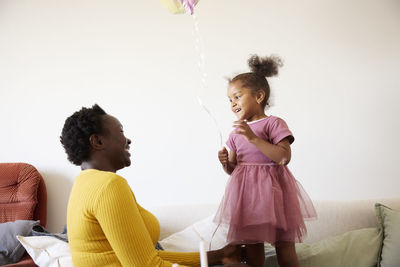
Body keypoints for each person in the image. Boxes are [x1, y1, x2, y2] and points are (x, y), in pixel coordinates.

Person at [60, 104, 250, 267]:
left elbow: (142, 258)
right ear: (98, 141)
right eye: (121, 131)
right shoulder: (108, 185)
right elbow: (147, 266)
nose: (128, 139)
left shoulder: (83, 184)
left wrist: (216, 256)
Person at [215, 55, 317, 267]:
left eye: (237, 96)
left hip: (276, 196)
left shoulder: (273, 123)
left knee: (285, 248)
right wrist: (226, 163)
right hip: (248, 200)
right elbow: (235, 170)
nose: (233, 103)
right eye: (230, 100)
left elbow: (283, 157)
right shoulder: (236, 133)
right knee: (253, 251)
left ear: (259, 96)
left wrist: (253, 138)